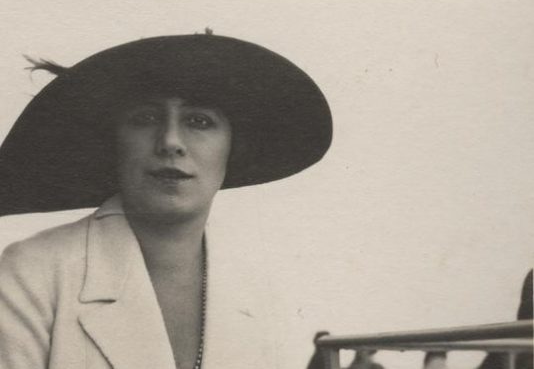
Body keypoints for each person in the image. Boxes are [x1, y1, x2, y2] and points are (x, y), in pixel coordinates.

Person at [0, 34, 333, 369]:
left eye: (199, 121)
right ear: (115, 143)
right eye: (145, 119)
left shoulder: (259, 295)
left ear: (233, 148)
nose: (171, 141)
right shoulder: (31, 274)